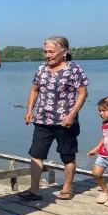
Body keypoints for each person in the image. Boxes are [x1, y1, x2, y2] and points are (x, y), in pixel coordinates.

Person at [19, 36, 89, 201]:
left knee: (67, 154)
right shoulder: (42, 68)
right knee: (36, 154)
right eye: (45, 52)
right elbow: (35, 90)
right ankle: (34, 189)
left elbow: (83, 94)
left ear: (64, 52)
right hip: (42, 120)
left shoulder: (74, 69)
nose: (47, 55)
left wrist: (72, 115)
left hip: (65, 121)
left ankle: (68, 187)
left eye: (51, 52)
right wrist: (30, 110)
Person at [88, 97, 108, 205]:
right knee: (96, 173)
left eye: (104, 110)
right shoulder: (104, 123)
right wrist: (96, 149)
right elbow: (105, 138)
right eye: (99, 111)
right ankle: (105, 191)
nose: (101, 113)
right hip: (103, 154)